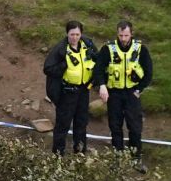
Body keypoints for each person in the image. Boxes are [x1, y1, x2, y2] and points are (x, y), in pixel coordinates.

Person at [43, 20, 107, 157]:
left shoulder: (88, 45)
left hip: (84, 91)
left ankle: (80, 153)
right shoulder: (60, 49)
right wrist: (63, 65)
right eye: (72, 34)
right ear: (67, 34)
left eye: (77, 34)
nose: (75, 37)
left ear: (81, 34)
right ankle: (58, 156)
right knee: (62, 125)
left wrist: (99, 82)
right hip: (67, 93)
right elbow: (48, 69)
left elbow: (99, 61)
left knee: (81, 123)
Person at [103, 18, 153, 171]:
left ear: (131, 34)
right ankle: (117, 159)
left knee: (135, 127)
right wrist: (102, 87)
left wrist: (139, 89)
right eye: (120, 35)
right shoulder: (108, 49)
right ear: (117, 34)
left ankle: (135, 159)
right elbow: (99, 70)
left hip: (132, 94)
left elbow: (149, 72)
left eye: (126, 35)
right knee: (115, 127)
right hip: (114, 94)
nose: (123, 39)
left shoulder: (140, 49)